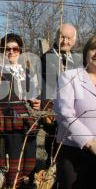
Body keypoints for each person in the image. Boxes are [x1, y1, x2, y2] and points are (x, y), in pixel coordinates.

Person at [0, 33, 41, 188]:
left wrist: (35, 103)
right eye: (7, 49)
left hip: (25, 122)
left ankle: (23, 183)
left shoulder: (26, 73)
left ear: (20, 50)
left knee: (27, 158)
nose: (11, 52)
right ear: (2, 51)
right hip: (4, 122)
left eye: (15, 49)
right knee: (8, 162)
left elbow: (33, 97)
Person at [54, 36, 96, 189]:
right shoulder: (70, 77)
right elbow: (64, 113)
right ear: (86, 53)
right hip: (74, 151)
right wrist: (90, 142)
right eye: (94, 48)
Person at [40, 23, 82, 169]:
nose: (65, 41)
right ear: (57, 37)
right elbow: (43, 86)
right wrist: (48, 110)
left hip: (74, 113)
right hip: (54, 112)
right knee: (53, 149)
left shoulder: (78, 60)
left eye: (69, 38)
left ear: (74, 40)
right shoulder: (46, 59)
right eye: (62, 37)